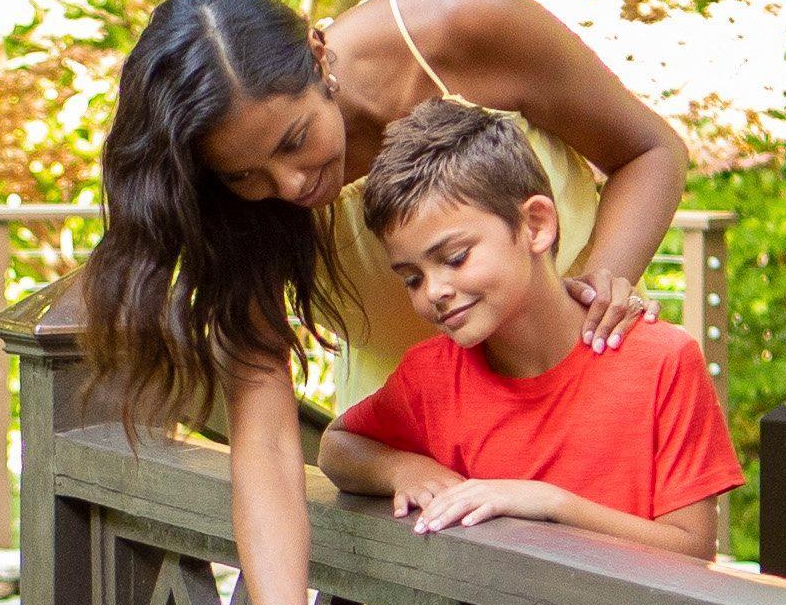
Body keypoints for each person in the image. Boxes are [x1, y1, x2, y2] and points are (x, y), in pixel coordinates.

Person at [70, 0, 700, 605]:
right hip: (418, 442)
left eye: (296, 140)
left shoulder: (461, 30)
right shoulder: (252, 205)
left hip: (582, 399)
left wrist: (600, 288)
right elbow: (262, 439)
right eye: (248, 176)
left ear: (320, 55)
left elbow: (652, 151)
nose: (291, 187)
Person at [317, 99, 746, 572]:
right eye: (412, 278)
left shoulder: (662, 360)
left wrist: (548, 504)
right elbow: (339, 447)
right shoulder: (429, 375)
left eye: (455, 257)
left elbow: (692, 549)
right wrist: (406, 469)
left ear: (536, 225)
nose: (434, 291)